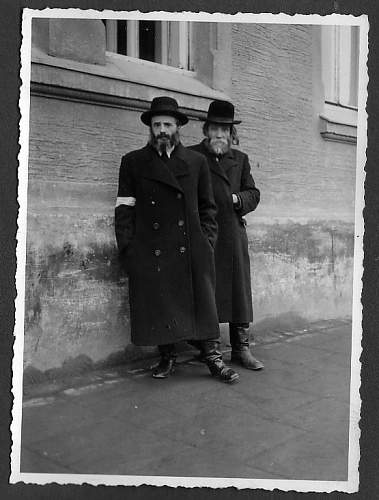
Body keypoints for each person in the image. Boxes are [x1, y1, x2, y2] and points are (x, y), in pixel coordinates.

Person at [115, 96, 239, 383]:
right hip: (151, 249)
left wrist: (207, 242)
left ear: (177, 128)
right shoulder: (133, 162)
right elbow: (124, 209)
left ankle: (213, 358)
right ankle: (167, 357)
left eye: (167, 124)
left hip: (192, 247)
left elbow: (209, 208)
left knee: (203, 304)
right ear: (150, 128)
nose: (162, 130)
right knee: (162, 304)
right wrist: (129, 249)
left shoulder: (196, 162)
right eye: (157, 124)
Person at [189, 100, 264, 370]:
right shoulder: (192, 156)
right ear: (206, 130)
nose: (219, 134)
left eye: (224, 129)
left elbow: (253, 194)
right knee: (206, 291)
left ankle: (241, 350)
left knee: (237, 292)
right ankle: (207, 348)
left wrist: (236, 198)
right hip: (204, 233)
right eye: (214, 128)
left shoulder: (240, 160)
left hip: (231, 233)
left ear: (231, 134)